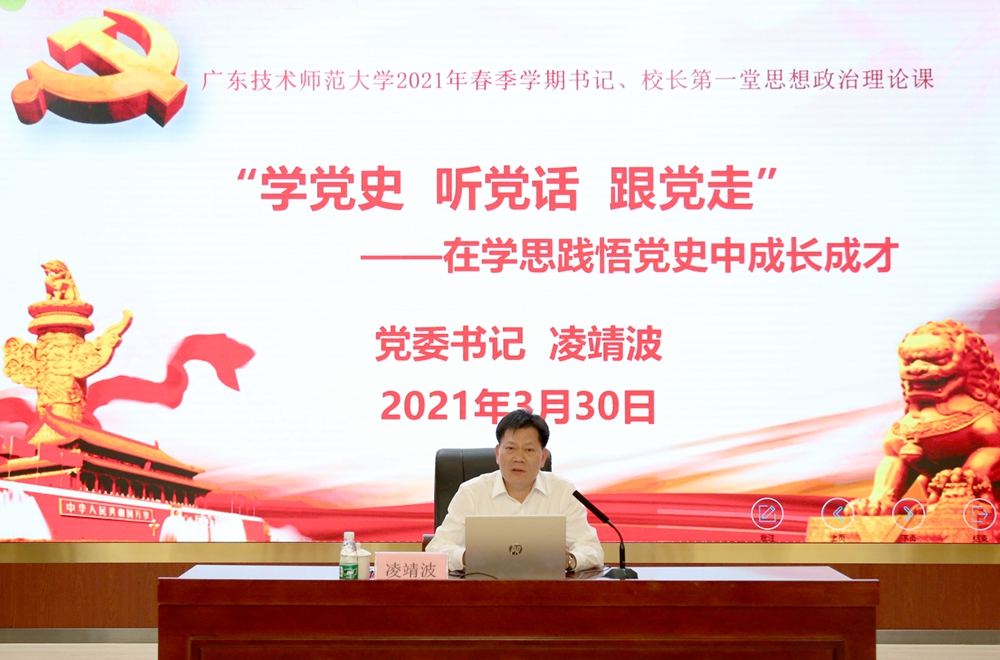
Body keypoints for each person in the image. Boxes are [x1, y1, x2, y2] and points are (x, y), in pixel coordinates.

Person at [426, 408, 605, 573]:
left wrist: (570, 560)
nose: (519, 458)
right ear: (498, 453)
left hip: (547, 592)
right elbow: (436, 548)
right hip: (484, 590)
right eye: (511, 448)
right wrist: (467, 557)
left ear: (543, 457)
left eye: (529, 450)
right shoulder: (471, 493)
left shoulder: (563, 492)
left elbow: (593, 550)